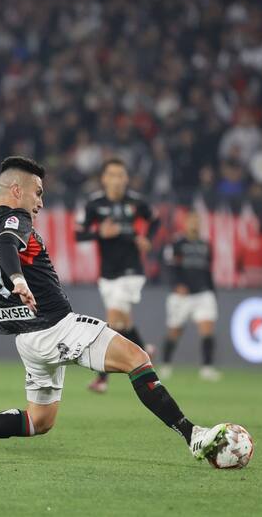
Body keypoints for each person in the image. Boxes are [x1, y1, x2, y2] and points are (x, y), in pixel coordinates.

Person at [0, 118, 228, 463]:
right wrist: (17, 279)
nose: (41, 201)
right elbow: (6, 244)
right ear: (17, 191)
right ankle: (193, 434)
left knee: (39, 421)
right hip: (55, 326)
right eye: (38, 192)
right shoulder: (18, 220)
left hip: (26, 339)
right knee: (138, 360)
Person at [74, 158, 160, 393]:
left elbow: (155, 219)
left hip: (132, 270)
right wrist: (99, 233)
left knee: (112, 322)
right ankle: (143, 352)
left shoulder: (136, 201)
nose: (117, 180)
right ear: (104, 179)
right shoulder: (94, 204)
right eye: (112, 175)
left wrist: (148, 239)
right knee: (124, 323)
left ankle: (102, 379)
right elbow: (78, 235)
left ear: (126, 179)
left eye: (121, 175)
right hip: (108, 273)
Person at [161, 211, 222, 381]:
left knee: (207, 330)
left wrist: (212, 291)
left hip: (203, 293)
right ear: (185, 224)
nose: (194, 225)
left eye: (197, 221)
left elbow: (208, 270)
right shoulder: (177, 243)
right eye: (191, 221)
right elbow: (169, 267)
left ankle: (207, 368)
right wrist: (176, 285)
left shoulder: (205, 244)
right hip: (182, 296)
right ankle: (166, 365)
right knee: (174, 331)